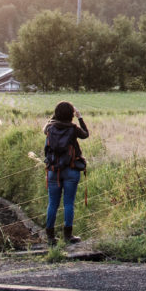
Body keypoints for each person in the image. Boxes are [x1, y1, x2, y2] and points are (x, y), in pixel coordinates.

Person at [43, 101, 89, 245]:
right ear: (71, 115)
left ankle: (50, 237)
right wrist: (79, 117)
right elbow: (86, 134)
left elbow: (45, 127)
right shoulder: (74, 129)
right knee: (68, 203)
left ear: (56, 114)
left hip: (53, 171)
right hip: (71, 169)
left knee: (52, 203)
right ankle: (68, 236)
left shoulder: (49, 128)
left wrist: (55, 116)